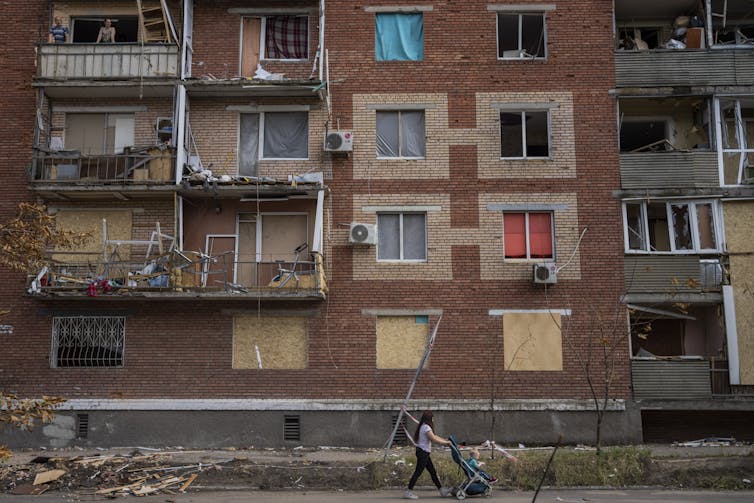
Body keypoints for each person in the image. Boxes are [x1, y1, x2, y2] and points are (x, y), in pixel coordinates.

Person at [404, 410, 452, 500]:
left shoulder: (423, 426)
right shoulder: (426, 427)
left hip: (423, 452)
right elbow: (434, 439)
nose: (433, 420)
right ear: (430, 419)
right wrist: (445, 443)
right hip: (423, 453)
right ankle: (408, 492)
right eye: (433, 418)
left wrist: (446, 441)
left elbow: (435, 436)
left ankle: (442, 490)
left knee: (432, 472)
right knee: (418, 472)